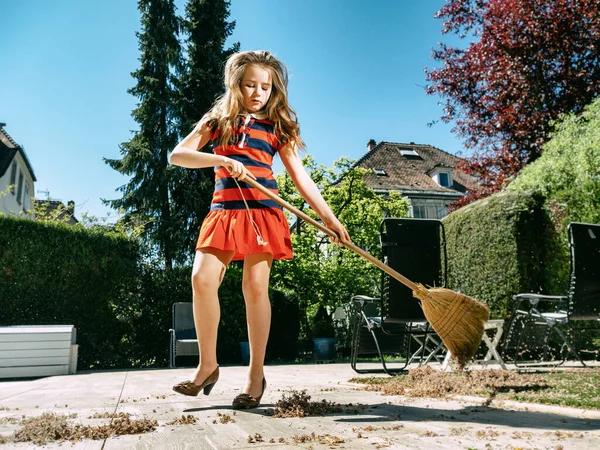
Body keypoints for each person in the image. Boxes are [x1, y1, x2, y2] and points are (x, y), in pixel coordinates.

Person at [169, 50, 350, 410]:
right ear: (236, 84)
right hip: (223, 211)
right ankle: (208, 366)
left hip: (262, 212)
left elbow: (301, 177)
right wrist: (222, 159)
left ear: (273, 90)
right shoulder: (217, 120)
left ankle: (255, 376)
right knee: (202, 280)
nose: (258, 92)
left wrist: (331, 219)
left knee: (254, 288)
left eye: (265, 87)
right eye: (250, 84)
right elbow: (178, 155)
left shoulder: (277, 126)